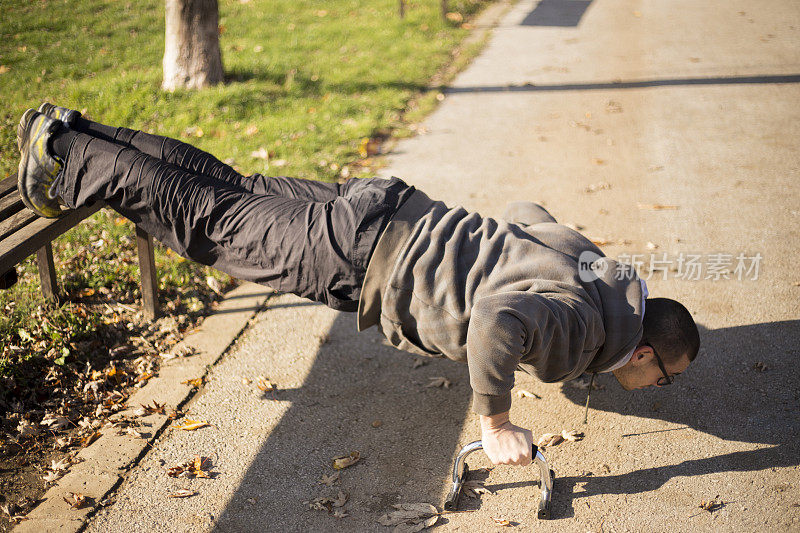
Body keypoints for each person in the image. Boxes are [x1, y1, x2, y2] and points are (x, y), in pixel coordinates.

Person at [17, 104, 700, 467]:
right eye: (667, 377)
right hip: (361, 255)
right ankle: (66, 155)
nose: (663, 389)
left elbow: (530, 214)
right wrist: (495, 422)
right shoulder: (582, 330)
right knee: (212, 220)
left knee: (229, 188)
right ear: (643, 354)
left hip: (390, 207)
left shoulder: (598, 272)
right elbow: (496, 318)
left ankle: (75, 129)